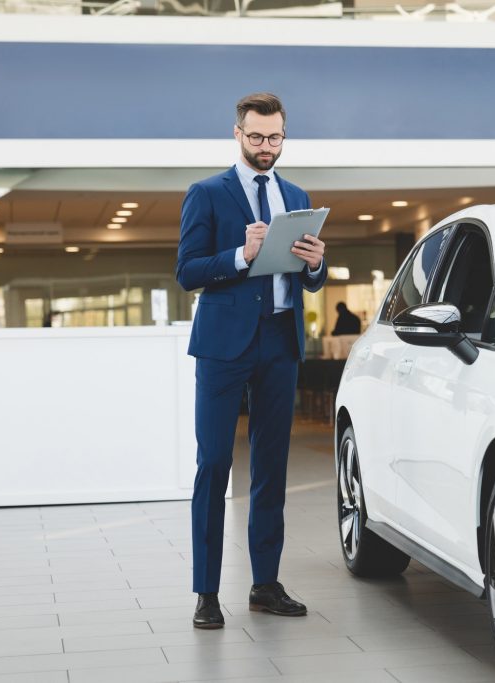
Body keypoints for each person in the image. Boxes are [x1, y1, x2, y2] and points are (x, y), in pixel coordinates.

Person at [176, 92, 327, 629]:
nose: (267, 146)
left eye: (275, 137)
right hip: (222, 348)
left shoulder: (297, 194)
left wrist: (316, 265)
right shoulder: (208, 194)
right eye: (257, 136)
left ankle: (265, 584)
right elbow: (188, 271)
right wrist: (241, 255)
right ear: (237, 134)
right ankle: (207, 592)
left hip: (279, 344)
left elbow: (308, 277)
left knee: (271, 469)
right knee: (214, 464)